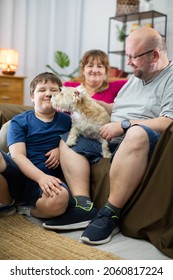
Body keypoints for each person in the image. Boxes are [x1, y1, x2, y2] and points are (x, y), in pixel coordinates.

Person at [43, 27, 173, 245]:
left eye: (133, 57)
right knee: (68, 138)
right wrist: (93, 104)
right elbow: (119, 107)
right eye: (127, 56)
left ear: (155, 55)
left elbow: (168, 121)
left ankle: (110, 214)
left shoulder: (169, 79)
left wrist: (123, 125)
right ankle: (83, 206)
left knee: (137, 133)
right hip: (111, 138)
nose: (128, 63)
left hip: (140, 142)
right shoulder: (137, 76)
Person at [0, 72, 73, 218]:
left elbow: (77, 142)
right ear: (32, 97)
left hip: (45, 183)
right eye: (42, 90)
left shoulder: (67, 121)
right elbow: (18, 156)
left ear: (60, 95)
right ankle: (7, 202)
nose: (48, 94)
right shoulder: (19, 121)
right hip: (17, 175)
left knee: (60, 199)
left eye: (53, 90)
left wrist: (61, 148)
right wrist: (41, 177)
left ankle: (25, 209)